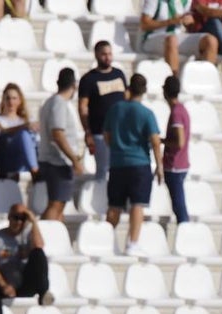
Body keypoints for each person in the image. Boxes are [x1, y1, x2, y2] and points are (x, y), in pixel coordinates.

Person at [103, 73, 163, 258]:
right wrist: (159, 165)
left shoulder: (115, 109)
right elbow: (155, 141)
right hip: (139, 163)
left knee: (114, 205)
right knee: (138, 204)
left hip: (118, 162)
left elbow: (106, 135)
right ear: (144, 91)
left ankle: (105, 239)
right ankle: (132, 243)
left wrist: (117, 147)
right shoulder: (146, 113)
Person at [37, 67, 85, 222]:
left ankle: (54, 235)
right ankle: (44, 236)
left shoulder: (51, 102)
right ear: (74, 85)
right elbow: (57, 134)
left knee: (59, 204)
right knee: (56, 204)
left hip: (53, 160)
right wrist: (74, 159)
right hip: (58, 161)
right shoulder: (59, 103)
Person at [79, 41, 127, 182]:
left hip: (120, 132)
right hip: (100, 132)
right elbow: (83, 107)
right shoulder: (88, 79)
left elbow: (127, 99)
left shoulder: (119, 74)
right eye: (104, 54)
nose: (107, 57)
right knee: (103, 171)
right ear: (96, 55)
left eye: (109, 54)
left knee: (120, 171)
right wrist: (87, 132)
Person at [141, 0, 218, 72]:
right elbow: (144, 25)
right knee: (172, 40)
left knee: (210, 41)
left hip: (177, 37)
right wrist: (171, 21)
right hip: (152, 38)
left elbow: (188, 22)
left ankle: (204, 80)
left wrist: (189, 21)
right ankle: (173, 82)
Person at [0, 83, 38, 181]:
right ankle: (34, 171)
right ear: (3, 101)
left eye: (14, 98)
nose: (11, 102)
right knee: (24, 134)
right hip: (6, 158)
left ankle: (37, 168)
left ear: (19, 101)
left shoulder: (26, 120)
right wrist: (22, 128)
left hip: (23, 159)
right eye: (8, 98)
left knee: (32, 136)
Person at [162, 75, 190, 225]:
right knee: (178, 205)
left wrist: (162, 141)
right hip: (180, 164)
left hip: (175, 165)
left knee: (179, 207)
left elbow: (179, 142)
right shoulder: (181, 109)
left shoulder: (176, 113)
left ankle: (186, 234)